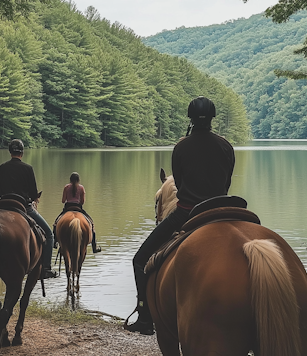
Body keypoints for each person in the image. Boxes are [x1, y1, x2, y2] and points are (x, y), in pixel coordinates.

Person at [126, 97, 236, 335]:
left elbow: (179, 182)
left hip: (187, 213)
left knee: (139, 259)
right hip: (221, 210)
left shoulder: (181, 147)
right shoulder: (226, 146)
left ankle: (145, 318)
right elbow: (227, 181)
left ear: (191, 119)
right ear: (213, 118)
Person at [0, 139, 57, 280]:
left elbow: (0, 191)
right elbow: (33, 193)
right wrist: (34, 198)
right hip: (24, 207)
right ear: (22, 153)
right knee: (49, 235)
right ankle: (45, 269)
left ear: (10, 152)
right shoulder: (28, 168)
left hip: (3, 203)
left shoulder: (2, 167)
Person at [55, 172, 101, 253]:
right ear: (78, 180)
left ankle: (54, 242)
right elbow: (82, 202)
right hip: (78, 208)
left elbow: (63, 201)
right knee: (91, 224)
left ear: (70, 179)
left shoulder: (66, 187)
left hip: (68, 208)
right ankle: (94, 247)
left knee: (56, 223)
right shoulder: (81, 188)